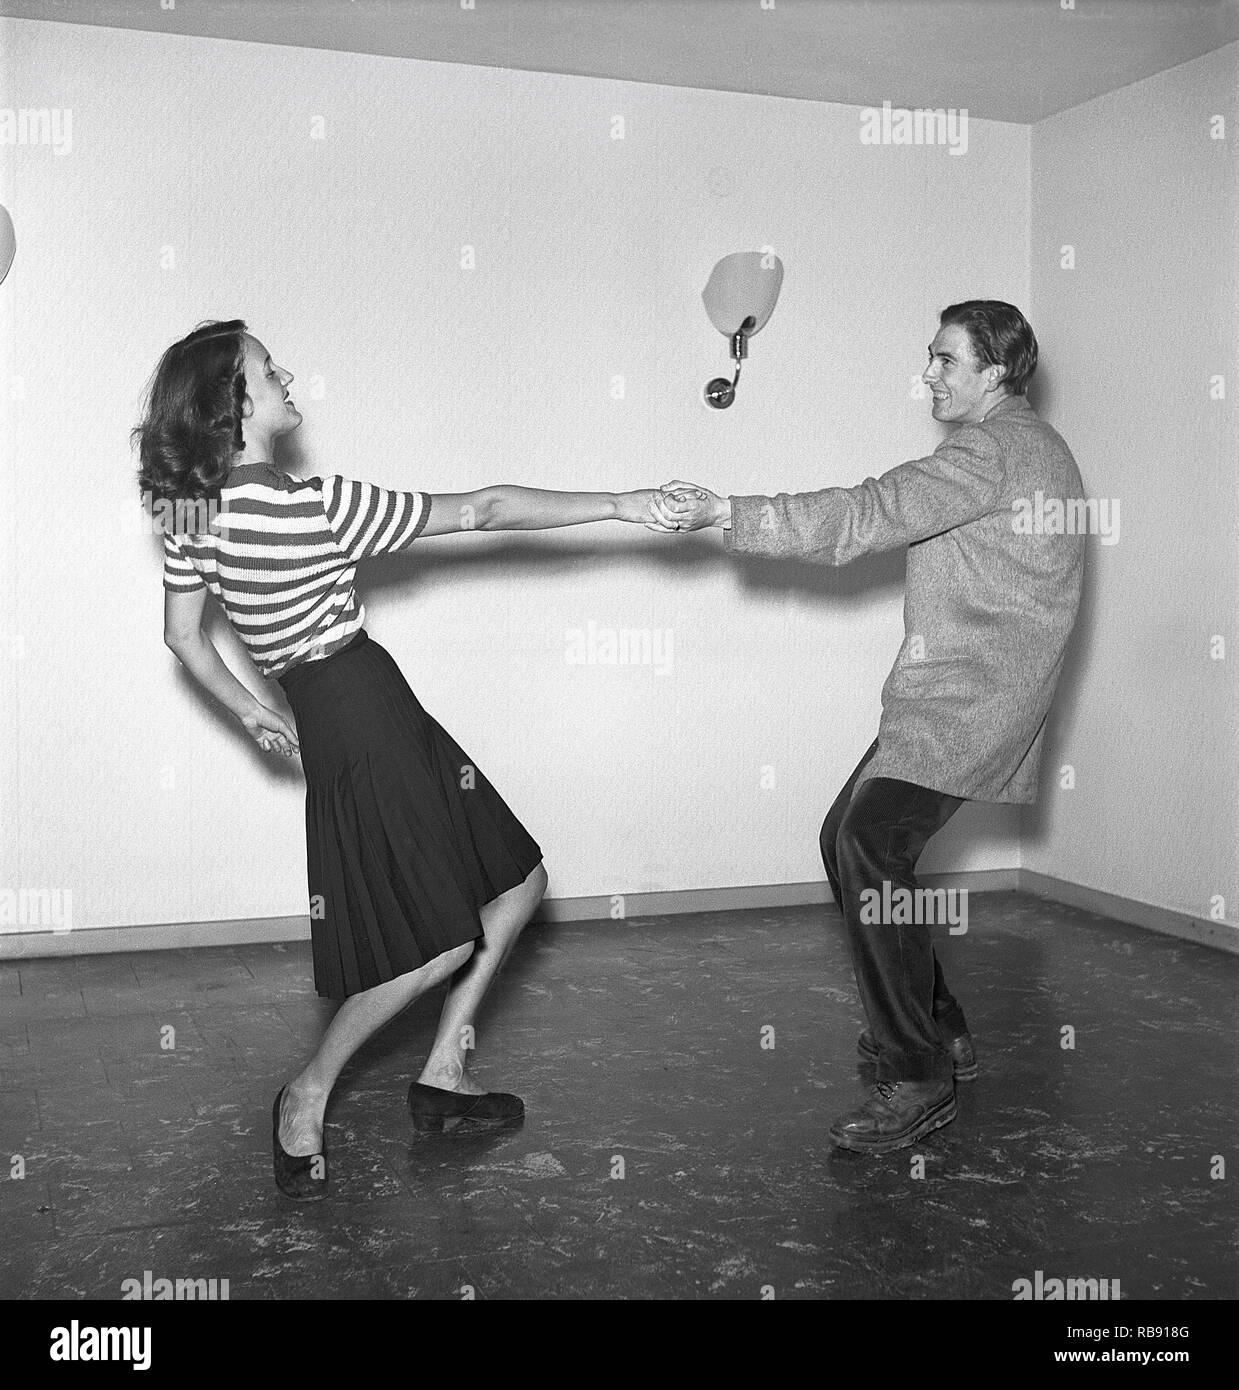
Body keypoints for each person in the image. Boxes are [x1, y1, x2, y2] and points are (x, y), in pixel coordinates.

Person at [133, 319, 666, 1198]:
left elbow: (182, 637)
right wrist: (624, 503)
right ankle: (305, 1096)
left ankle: (444, 1072)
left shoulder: (191, 511)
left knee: (518, 882)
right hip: (365, 708)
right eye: (269, 370)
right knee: (432, 945)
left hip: (352, 711)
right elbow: (484, 510)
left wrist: (259, 717)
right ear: (235, 403)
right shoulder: (313, 506)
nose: (286, 375)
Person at [651, 301, 1086, 1155]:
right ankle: (938, 1027)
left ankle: (916, 1074)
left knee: (864, 844)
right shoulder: (1031, 446)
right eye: (929, 358)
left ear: (994, 373)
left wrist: (723, 513)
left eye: (944, 361)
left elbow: (866, 513)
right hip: (964, 692)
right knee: (847, 838)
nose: (927, 374)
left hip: (970, 698)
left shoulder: (989, 450)